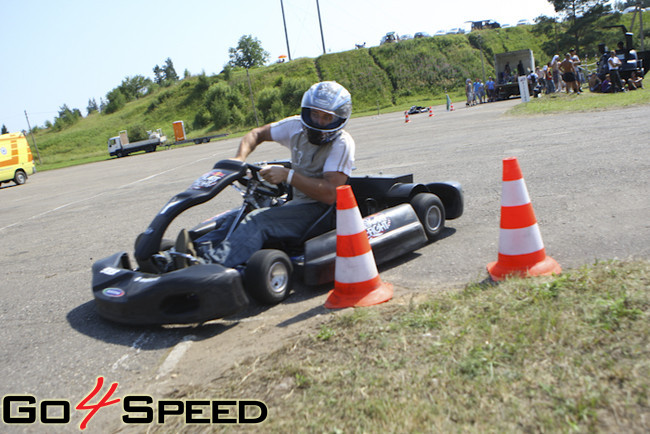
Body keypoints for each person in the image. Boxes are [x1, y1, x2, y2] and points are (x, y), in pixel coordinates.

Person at [175, 81, 355, 269]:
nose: (318, 122)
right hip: (296, 204)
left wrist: (287, 175)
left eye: (326, 117)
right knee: (241, 214)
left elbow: (330, 194)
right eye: (315, 114)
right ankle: (191, 252)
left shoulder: (341, 144)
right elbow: (257, 133)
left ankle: (207, 267)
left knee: (258, 221)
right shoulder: (296, 127)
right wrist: (239, 158)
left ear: (338, 119)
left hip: (321, 213)